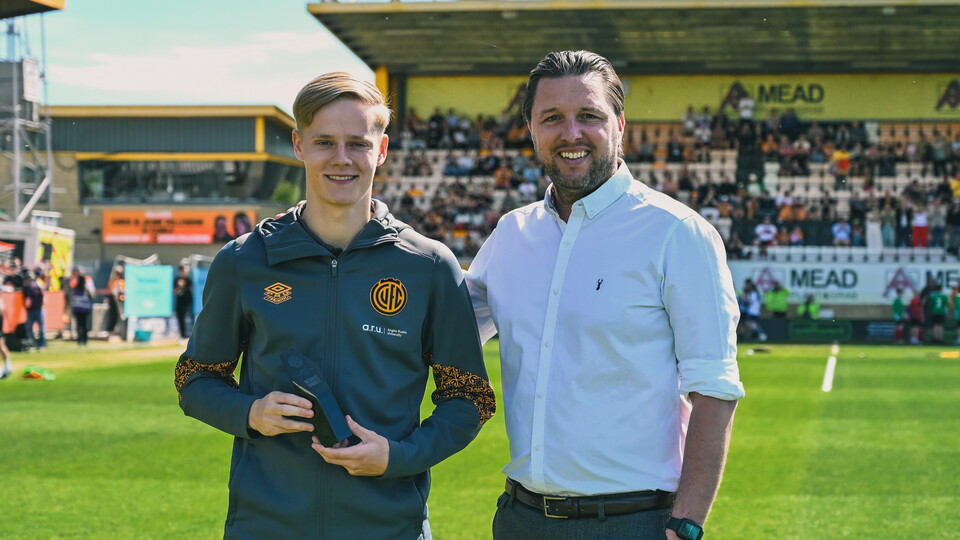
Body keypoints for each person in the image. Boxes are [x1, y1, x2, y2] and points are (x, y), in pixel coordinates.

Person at [175, 72, 495, 540]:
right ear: (299, 144)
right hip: (266, 526)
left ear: (381, 150)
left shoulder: (429, 265)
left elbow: (470, 397)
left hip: (389, 527)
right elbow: (195, 378)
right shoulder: (245, 260)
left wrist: (398, 456)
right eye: (324, 142)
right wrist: (250, 414)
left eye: (358, 144)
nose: (341, 159)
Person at [465, 51, 743, 540]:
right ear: (531, 130)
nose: (571, 133)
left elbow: (715, 389)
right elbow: (436, 329)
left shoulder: (677, 233)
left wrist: (687, 524)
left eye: (588, 116)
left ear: (619, 124)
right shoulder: (512, 233)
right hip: (519, 519)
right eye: (552, 118)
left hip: (633, 523)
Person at [68, 267, 96, 346]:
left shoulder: (86, 280)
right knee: (80, 324)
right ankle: (81, 340)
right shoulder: (75, 280)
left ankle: (83, 340)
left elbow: (91, 291)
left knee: (82, 324)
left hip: (82, 306)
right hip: (79, 306)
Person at [22, 273, 46, 349]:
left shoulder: (37, 287)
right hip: (30, 311)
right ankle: (32, 343)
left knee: (41, 329)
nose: (29, 281)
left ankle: (41, 344)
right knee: (29, 329)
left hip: (38, 309)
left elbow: (43, 296)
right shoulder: (26, 289)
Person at [173, 265, 193, 344]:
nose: (186, 272)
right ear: (181, 271)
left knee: (190, 320)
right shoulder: (177, 279)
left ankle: (190, 336)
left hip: (188, 303)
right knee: (181, 320)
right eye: (185, 270)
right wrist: (179, 286)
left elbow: (191, 290)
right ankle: (183, 336)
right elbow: (175, 292)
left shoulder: (188, 280)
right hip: (180, 303)